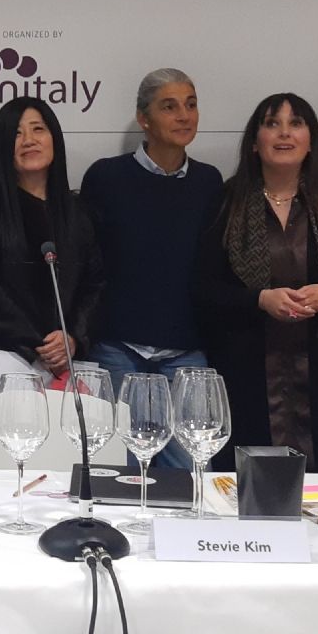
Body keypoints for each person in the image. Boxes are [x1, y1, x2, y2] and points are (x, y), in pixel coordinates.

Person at [196, 94, 318, 473]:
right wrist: (259, 300)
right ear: (254, 142)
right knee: (248, 492)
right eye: (272, 123)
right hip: (246, 380)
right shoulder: (226, 202)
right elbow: (204, 290)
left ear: (311, 141)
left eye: (296, 123)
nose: (284, 133)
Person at [79, 68, 223, 468]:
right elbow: (88, 264)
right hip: (118, 350)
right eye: (169, 107)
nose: (184, 116)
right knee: (116, 473)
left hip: (186, 353)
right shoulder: (106, 177)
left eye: (191, 105)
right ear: (144, 118)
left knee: (190, 474)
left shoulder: (209, 182)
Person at [0, 96, 104, 385]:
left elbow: (94, 285)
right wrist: (39, 342)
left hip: (67, 362)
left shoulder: (78, 212)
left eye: (38, 129)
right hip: (1, 362)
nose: (29, 140)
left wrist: (73, 337)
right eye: (17, 133)